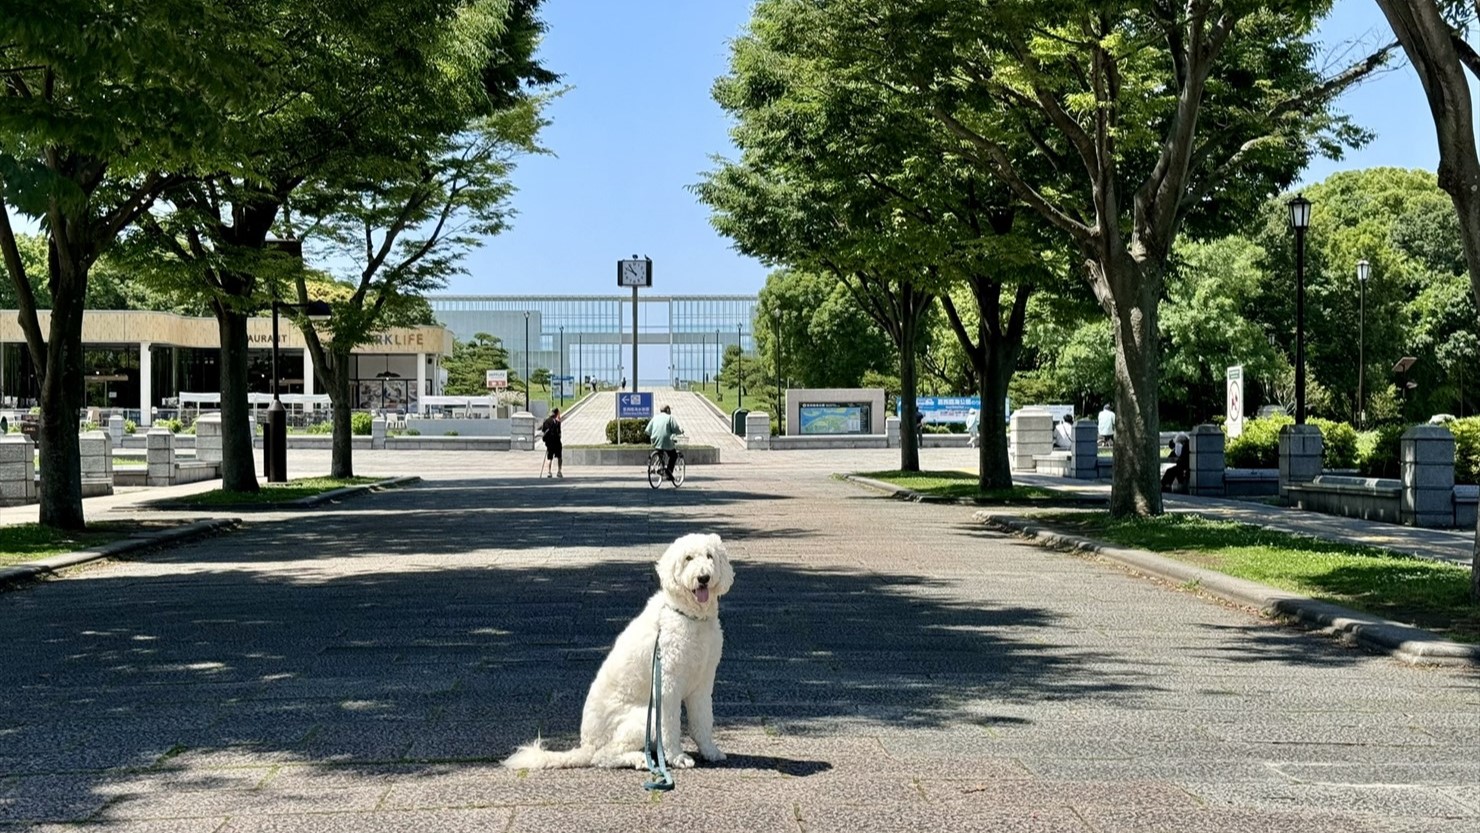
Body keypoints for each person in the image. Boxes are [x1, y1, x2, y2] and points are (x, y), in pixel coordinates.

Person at [646, 404, 683, 481]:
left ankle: (658, 466)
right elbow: (676, 429)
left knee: (660, 451)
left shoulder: (655, 417)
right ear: (668, 410)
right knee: (673, 455)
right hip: (666, 441)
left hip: (655, 441)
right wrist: (680, 431)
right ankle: (668, 472)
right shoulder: (670, 418)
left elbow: (647, 430)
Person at [540, 407, 563, 478]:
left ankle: (549, 472)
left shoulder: (546, 421)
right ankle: (559, 471)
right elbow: (559, 433)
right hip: (557, 442)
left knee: (549, 458)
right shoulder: (557, 422)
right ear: (556, 414)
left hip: (549, 443)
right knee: (559, 457)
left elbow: (543, 431)